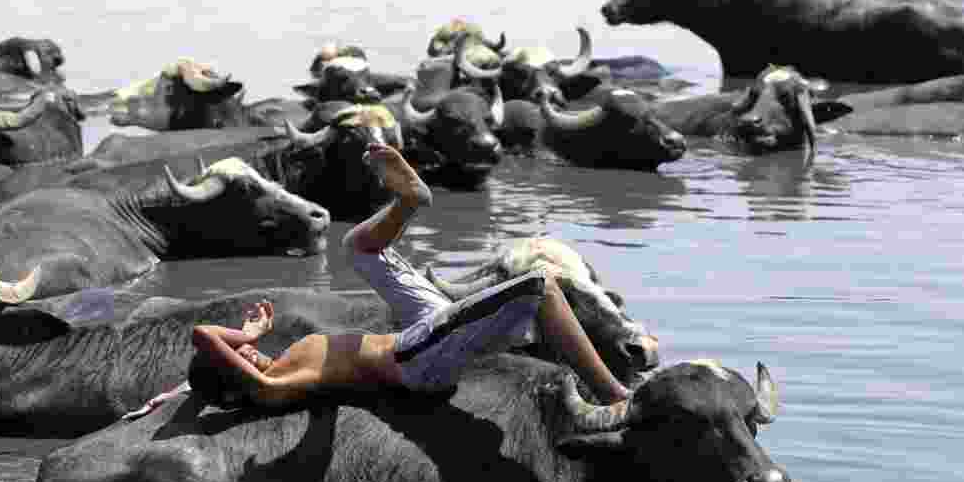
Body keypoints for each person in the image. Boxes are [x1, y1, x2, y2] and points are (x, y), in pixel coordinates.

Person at [183, 144, 633, 410]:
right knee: (540, 284)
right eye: (242, 357)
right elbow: (203, 335)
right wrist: (245, 333)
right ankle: (614, 394)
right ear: (237, 373)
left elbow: (202, 367)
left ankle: (409, 201)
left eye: (245, 351)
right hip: (416, 359)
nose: (252, 352)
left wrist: (178, 391)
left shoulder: (279, 366)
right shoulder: (273, 387)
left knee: (356, 249)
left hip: (419, 332)